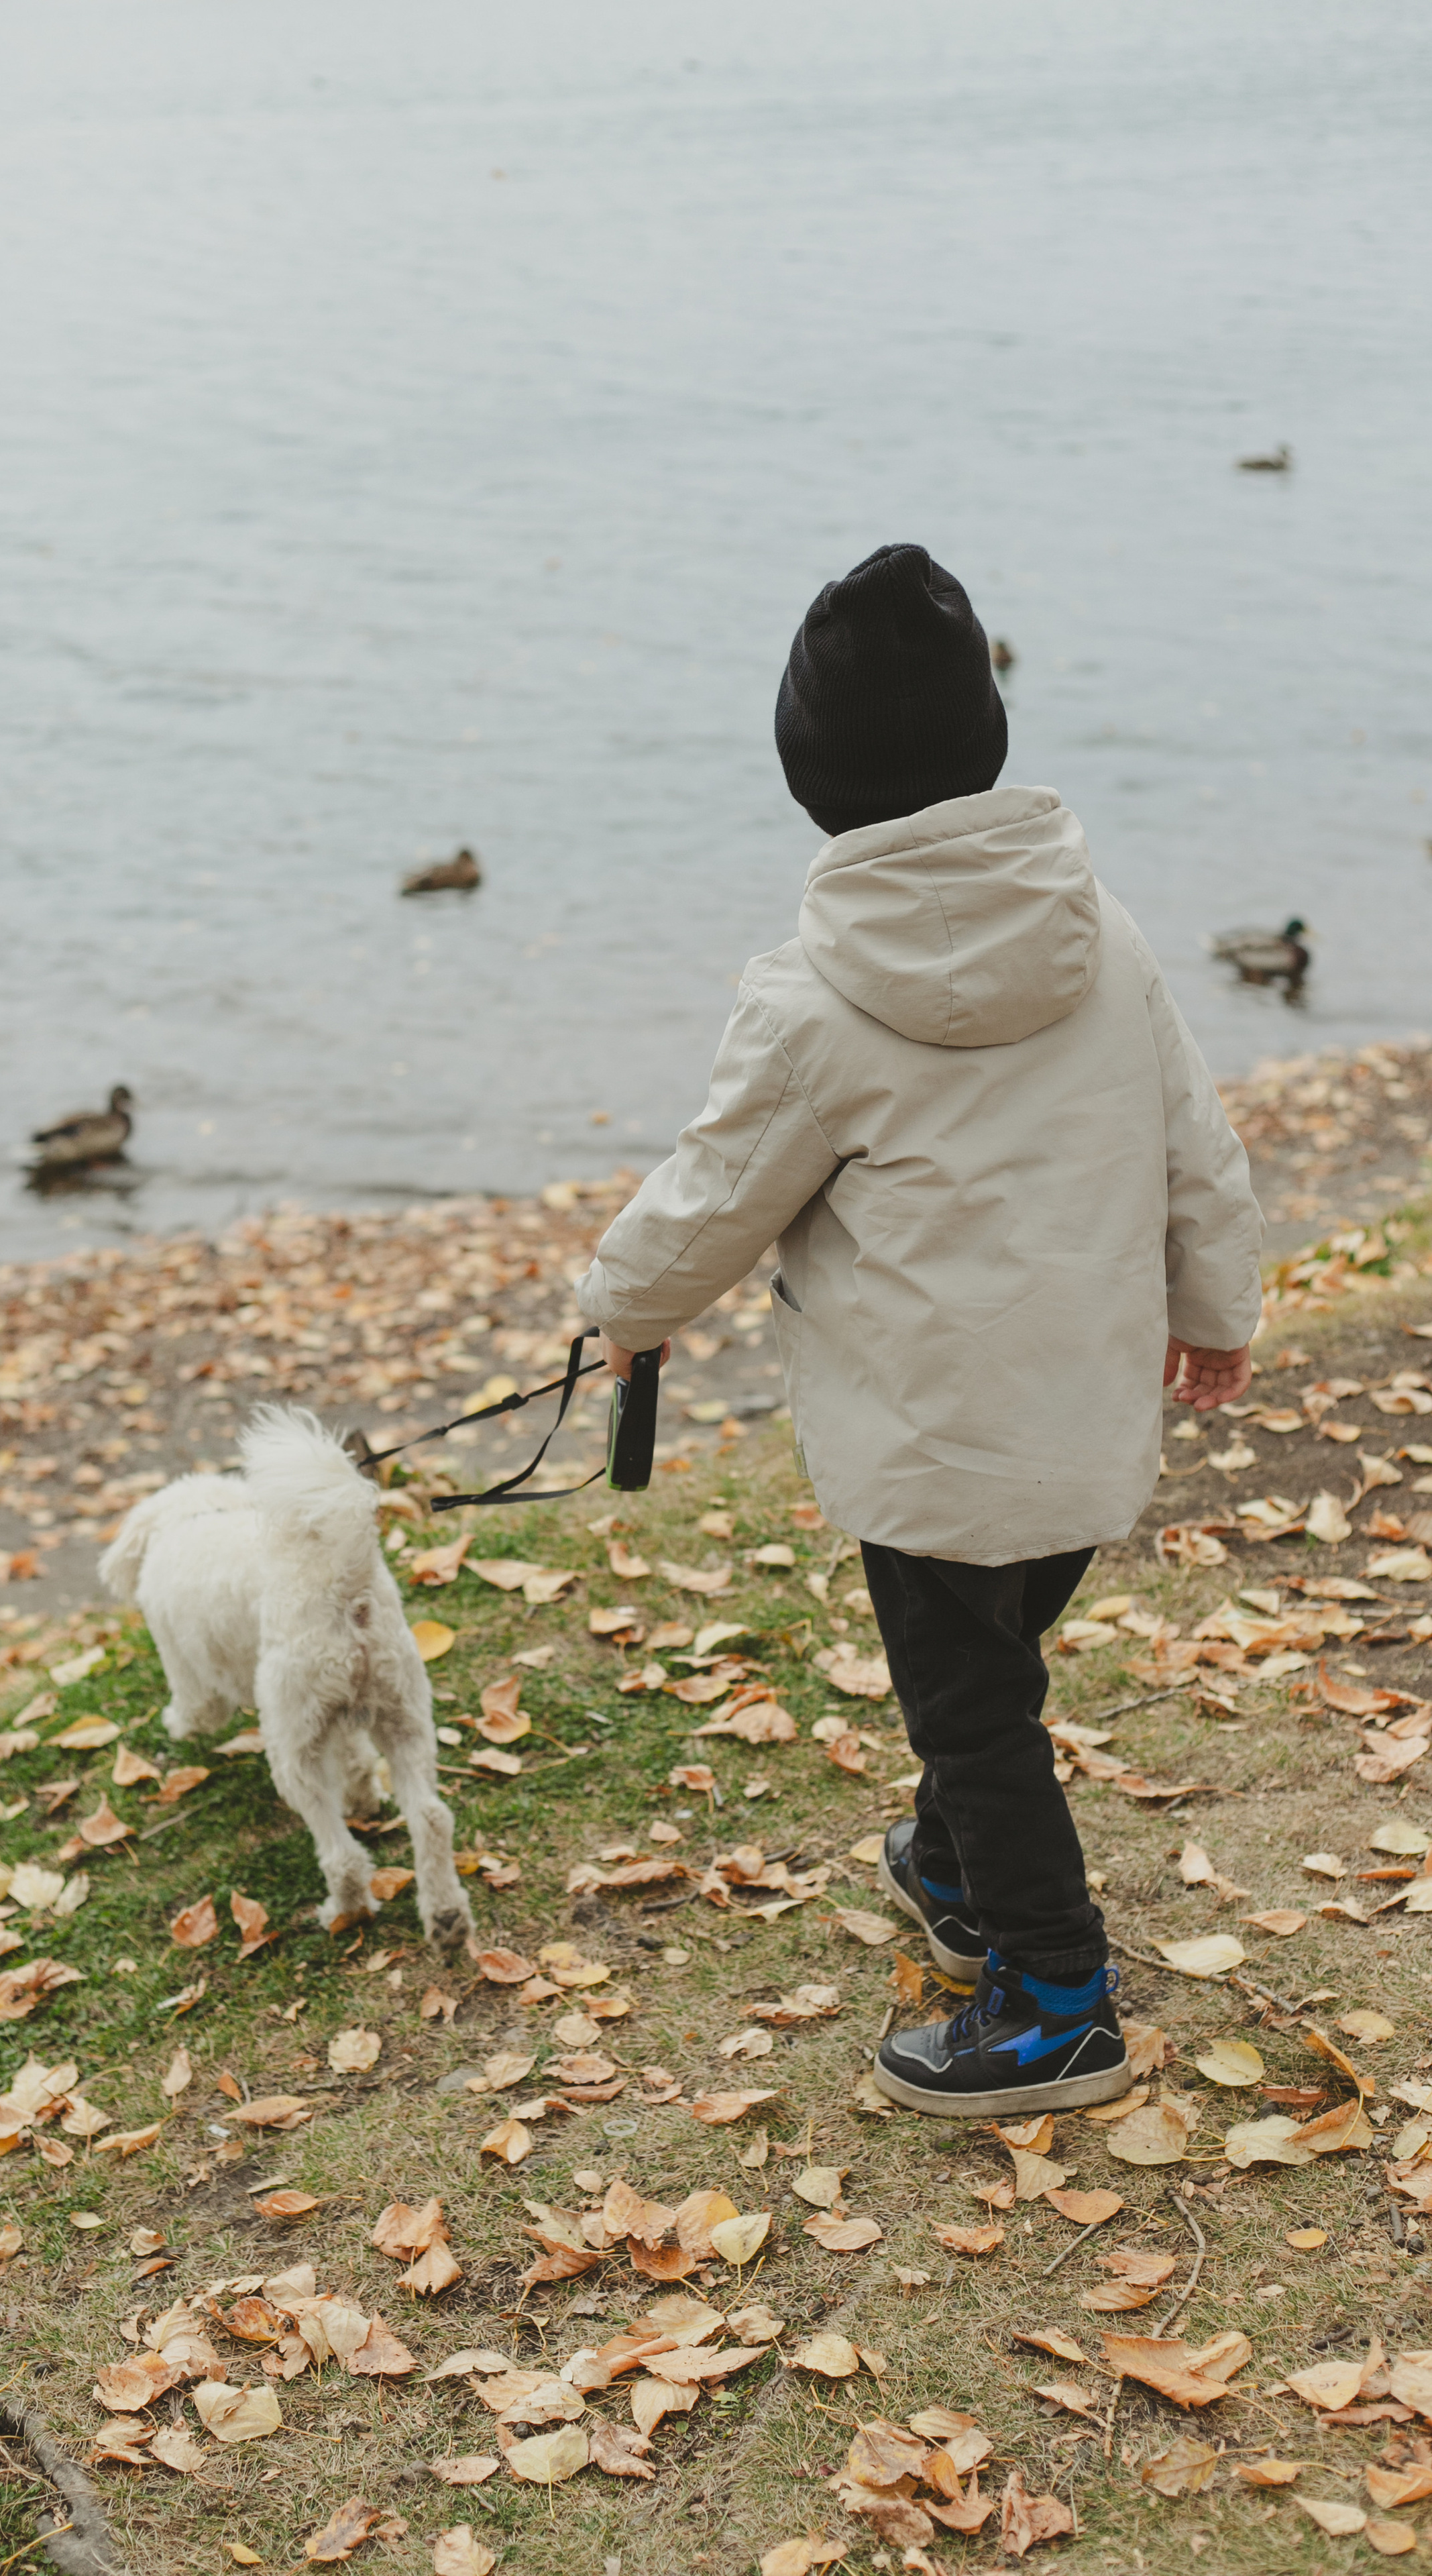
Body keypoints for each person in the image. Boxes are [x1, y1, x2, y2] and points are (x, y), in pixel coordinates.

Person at [575, 543, 1262, 2118]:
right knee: (994, 1676)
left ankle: (1055, 1999)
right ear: (985, 742)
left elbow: (711, 1196)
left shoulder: (809, 1000)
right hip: (1085, 1416)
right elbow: (1193, 1145)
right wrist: (1215, 1309)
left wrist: (620, 1312)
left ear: (810, 781)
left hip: (933, 1443)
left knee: (969, 1706)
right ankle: (955, 1863)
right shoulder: (1100, 932)